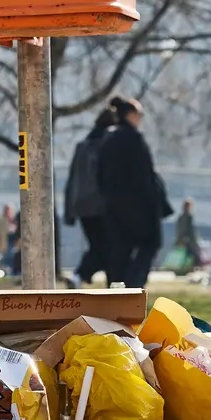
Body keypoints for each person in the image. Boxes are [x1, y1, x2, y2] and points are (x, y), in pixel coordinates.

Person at [96, 96, 172, 288]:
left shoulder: (108, 139)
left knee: (120, 250)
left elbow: (100, 174)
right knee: (150, 244)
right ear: (130, 115)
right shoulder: (135, 139)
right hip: (139, 206)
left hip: (114, 206)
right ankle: (134, 285)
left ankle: (116, 288)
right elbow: (144, 175)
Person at [64, 106, 119, 286]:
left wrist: (69, 211)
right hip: (101, 206)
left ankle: (83, 277)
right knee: (107, 247)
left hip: (82, 206)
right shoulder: (107, 145)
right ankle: (81, 275)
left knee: (99, 245)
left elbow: (73, 179)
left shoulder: (82, 146)